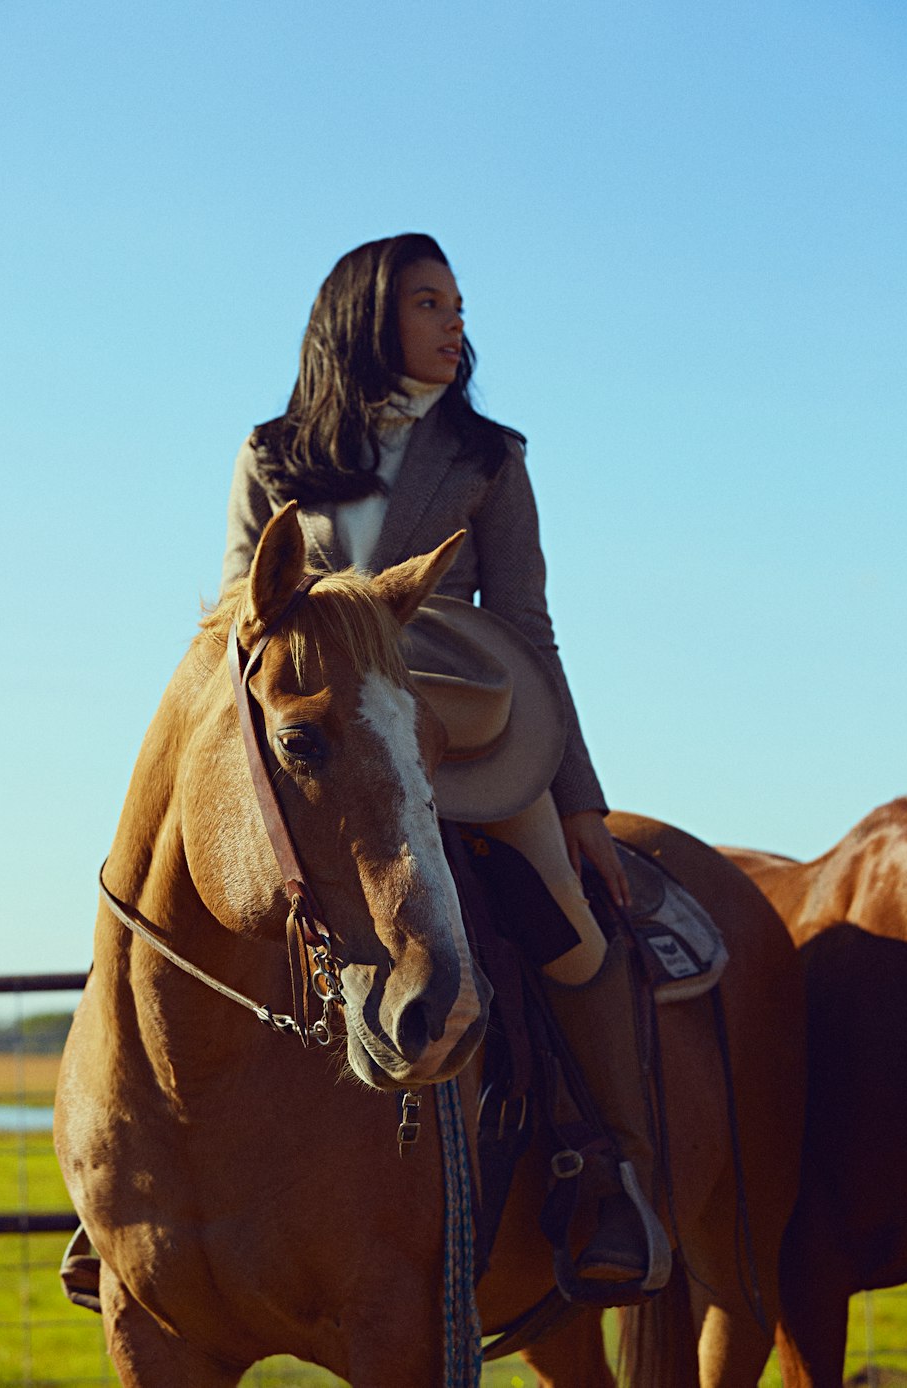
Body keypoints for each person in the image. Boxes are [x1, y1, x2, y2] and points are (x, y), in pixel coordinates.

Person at [221, 233, 669, 1289]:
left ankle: (612, 1172)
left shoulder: (489, 458)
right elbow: (233, 623)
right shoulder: (269, 453)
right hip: (317, 734)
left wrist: (579, 805)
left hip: (464, 728)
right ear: (368, 317)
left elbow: (527, 623)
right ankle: (125, 1177)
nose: (456, 324)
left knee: (561, 916)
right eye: (431, 304)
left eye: (458, 305)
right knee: (177, 881)